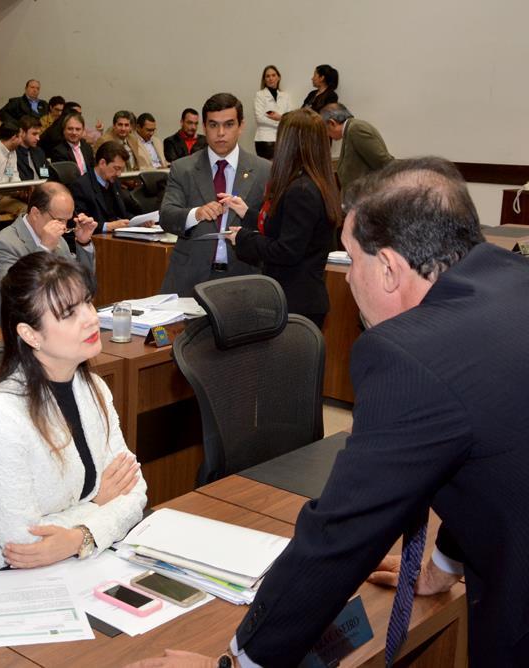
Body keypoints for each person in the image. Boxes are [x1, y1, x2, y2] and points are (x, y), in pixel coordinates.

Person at [129, 156, 529, 668]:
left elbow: (339, 536)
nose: (344, 278)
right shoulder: (512, 279)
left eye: (351, 259)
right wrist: (444, 566)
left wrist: (238, 663)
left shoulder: (410, 356)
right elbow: (490, 451)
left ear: (388, 268)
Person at [0, 251, 146, 581]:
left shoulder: (94, 388)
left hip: (77, 564)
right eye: (69, 314)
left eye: (87, 302)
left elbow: (135, 490)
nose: (90, 318)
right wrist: (98, 507)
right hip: (0, 580)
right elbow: (25, 545)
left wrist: (76, 538)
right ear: (30, 335)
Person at [221, 109, 341, 329]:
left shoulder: (301, 190)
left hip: (294, 301)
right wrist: (247, 214)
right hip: (303, 300)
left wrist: (243, 238)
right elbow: (290, 229)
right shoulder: (316, 182)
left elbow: (287, 250)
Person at [158, 93, 271, 297]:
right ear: (204, 127)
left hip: (243, 278)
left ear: (241, 126)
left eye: (228, 125)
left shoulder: (263, 170)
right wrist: (196, 214)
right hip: (189, 280)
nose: (220, 133)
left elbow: (272, 226)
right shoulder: (183, 168)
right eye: (213, 125)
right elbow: (166, 216)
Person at [0, 182, 96, 327]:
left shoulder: (59, 241)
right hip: (14, 331)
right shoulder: (5, 243)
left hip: (55, 324)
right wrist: (44, 248)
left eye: (67, 220)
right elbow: (18, 294)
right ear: (35, 213)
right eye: (58, 220)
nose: (64, 227)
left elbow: (81, 286)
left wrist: (83, 243)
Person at [322, 103, 394, 193]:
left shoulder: (355, 129)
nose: (327, 135)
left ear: (332, 123)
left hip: (367, 196)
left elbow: (384, 162)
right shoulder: (349, 130)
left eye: (326, 130)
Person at [69, 140, 136, 232]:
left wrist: (138, 221)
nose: (119, 174)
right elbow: (80, 222)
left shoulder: (114, 182)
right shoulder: (81, 186)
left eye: (121, 169)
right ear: (102, 163)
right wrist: (108, 226)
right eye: (116, 168)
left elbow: (123, 213)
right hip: (97, 239)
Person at [253, 65, 293, 160]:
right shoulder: (260, 95)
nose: (271, 78)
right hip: (265, 140)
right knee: (268, 170)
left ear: (278, 77)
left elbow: (291, 117)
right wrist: (282, 120)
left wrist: (279, 117)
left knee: (282, 170)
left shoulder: (285, 96)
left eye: (273, 75)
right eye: (268, 76)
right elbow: (259, 118)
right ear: (264, 79)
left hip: (283, 139)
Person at [16, 116, 48, 181]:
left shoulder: (39, 151)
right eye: (34, 134)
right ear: (22, 132)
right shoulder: (13, 154)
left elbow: (45, 175)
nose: (38, 138)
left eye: (38, 134)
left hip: (42, 188)